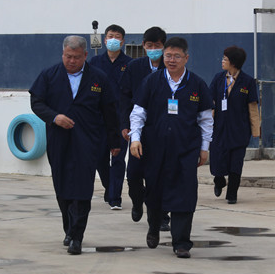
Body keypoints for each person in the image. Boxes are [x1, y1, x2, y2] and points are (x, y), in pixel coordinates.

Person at [30, 35, 121, 255]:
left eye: (77, 57)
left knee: (82, 188)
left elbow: (110, 111)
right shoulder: (49, 75)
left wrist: (114, 141)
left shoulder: (98, 78)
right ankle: (69, 229)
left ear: (85, 55)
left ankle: (77, 237)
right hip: (58, 139)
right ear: (62, 54)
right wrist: (54, 117)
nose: (72, 61)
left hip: (87, 141)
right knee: (62, 186)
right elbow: (36, 102)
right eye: (68, 56)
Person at [129, 37, 213, 258]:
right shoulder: (151, 81)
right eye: (168, 56)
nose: (172, 60)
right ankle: (154, 226)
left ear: (186, 58)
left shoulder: (197, 84)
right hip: (154, 147)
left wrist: (204, 147)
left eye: (177, 56)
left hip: (186, 149)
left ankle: (182, 242)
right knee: (154, 190)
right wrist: (135, 139)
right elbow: (138, 113)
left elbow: (206, 119)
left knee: (185, 192)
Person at [119, 26, 171, 231]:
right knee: (133, 174)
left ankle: (161, 215)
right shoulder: (134, 67)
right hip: (138, 130)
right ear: (143, 46)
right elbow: (124, 98)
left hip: (162, 129)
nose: (153, 49)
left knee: (160, 175)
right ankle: (137, 201)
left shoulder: (170, 68)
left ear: (164, 46)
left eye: (157, 46)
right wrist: (125, 125)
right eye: (150, 45)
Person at [209, 46, 260, 204]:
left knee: (236, 163)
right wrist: (208, 124)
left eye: (225, 59)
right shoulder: (218, 79)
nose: (222, 61)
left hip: (239, 130)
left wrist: (256, 130)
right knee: (217, 159)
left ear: (233, 62)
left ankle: (232, 194)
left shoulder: (248, 82)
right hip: (219, 129)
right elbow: (211, 103)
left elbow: (253, 108)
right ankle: (219, 181)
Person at [89, 24, 132, 210]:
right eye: (110, 36)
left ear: (122, 41)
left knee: (118, 158)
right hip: (99, 119)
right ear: (105, 39)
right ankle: (109, 187)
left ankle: (115, 197)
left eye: (117, 36)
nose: (113, 39)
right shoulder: (95, 62)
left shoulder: (130, 64)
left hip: (121, 119)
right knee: (99, 158)